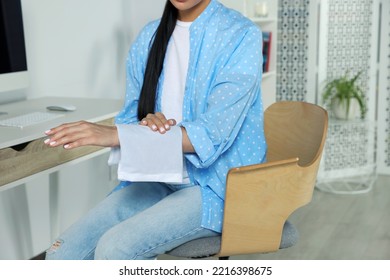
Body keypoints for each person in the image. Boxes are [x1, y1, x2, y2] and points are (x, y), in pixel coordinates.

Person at [44, 0, 266, 260]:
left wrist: (115, 134)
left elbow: (213, 134)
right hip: (159, 177)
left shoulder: (240, 36)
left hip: (217, 188)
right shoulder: (149, 37)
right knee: (61, 255)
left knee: (115, 249)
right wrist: (145, 125)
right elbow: (132, 116)